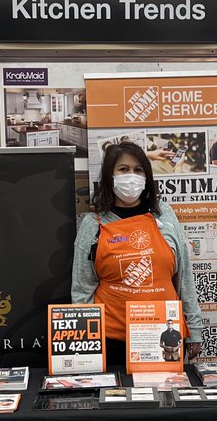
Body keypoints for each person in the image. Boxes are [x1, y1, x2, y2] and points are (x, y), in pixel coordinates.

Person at [72, 141, 203, 364]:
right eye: (123, 169)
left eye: (138, 170)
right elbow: (82, 289)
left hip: (162, 335)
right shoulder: (92, 224)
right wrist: (85, 340)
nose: (131, 176)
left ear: (147, 176)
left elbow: (184, 278)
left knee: (165, 398)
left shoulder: (165, 215)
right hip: (109, 339)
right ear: (109, 176)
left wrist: (195, 328)